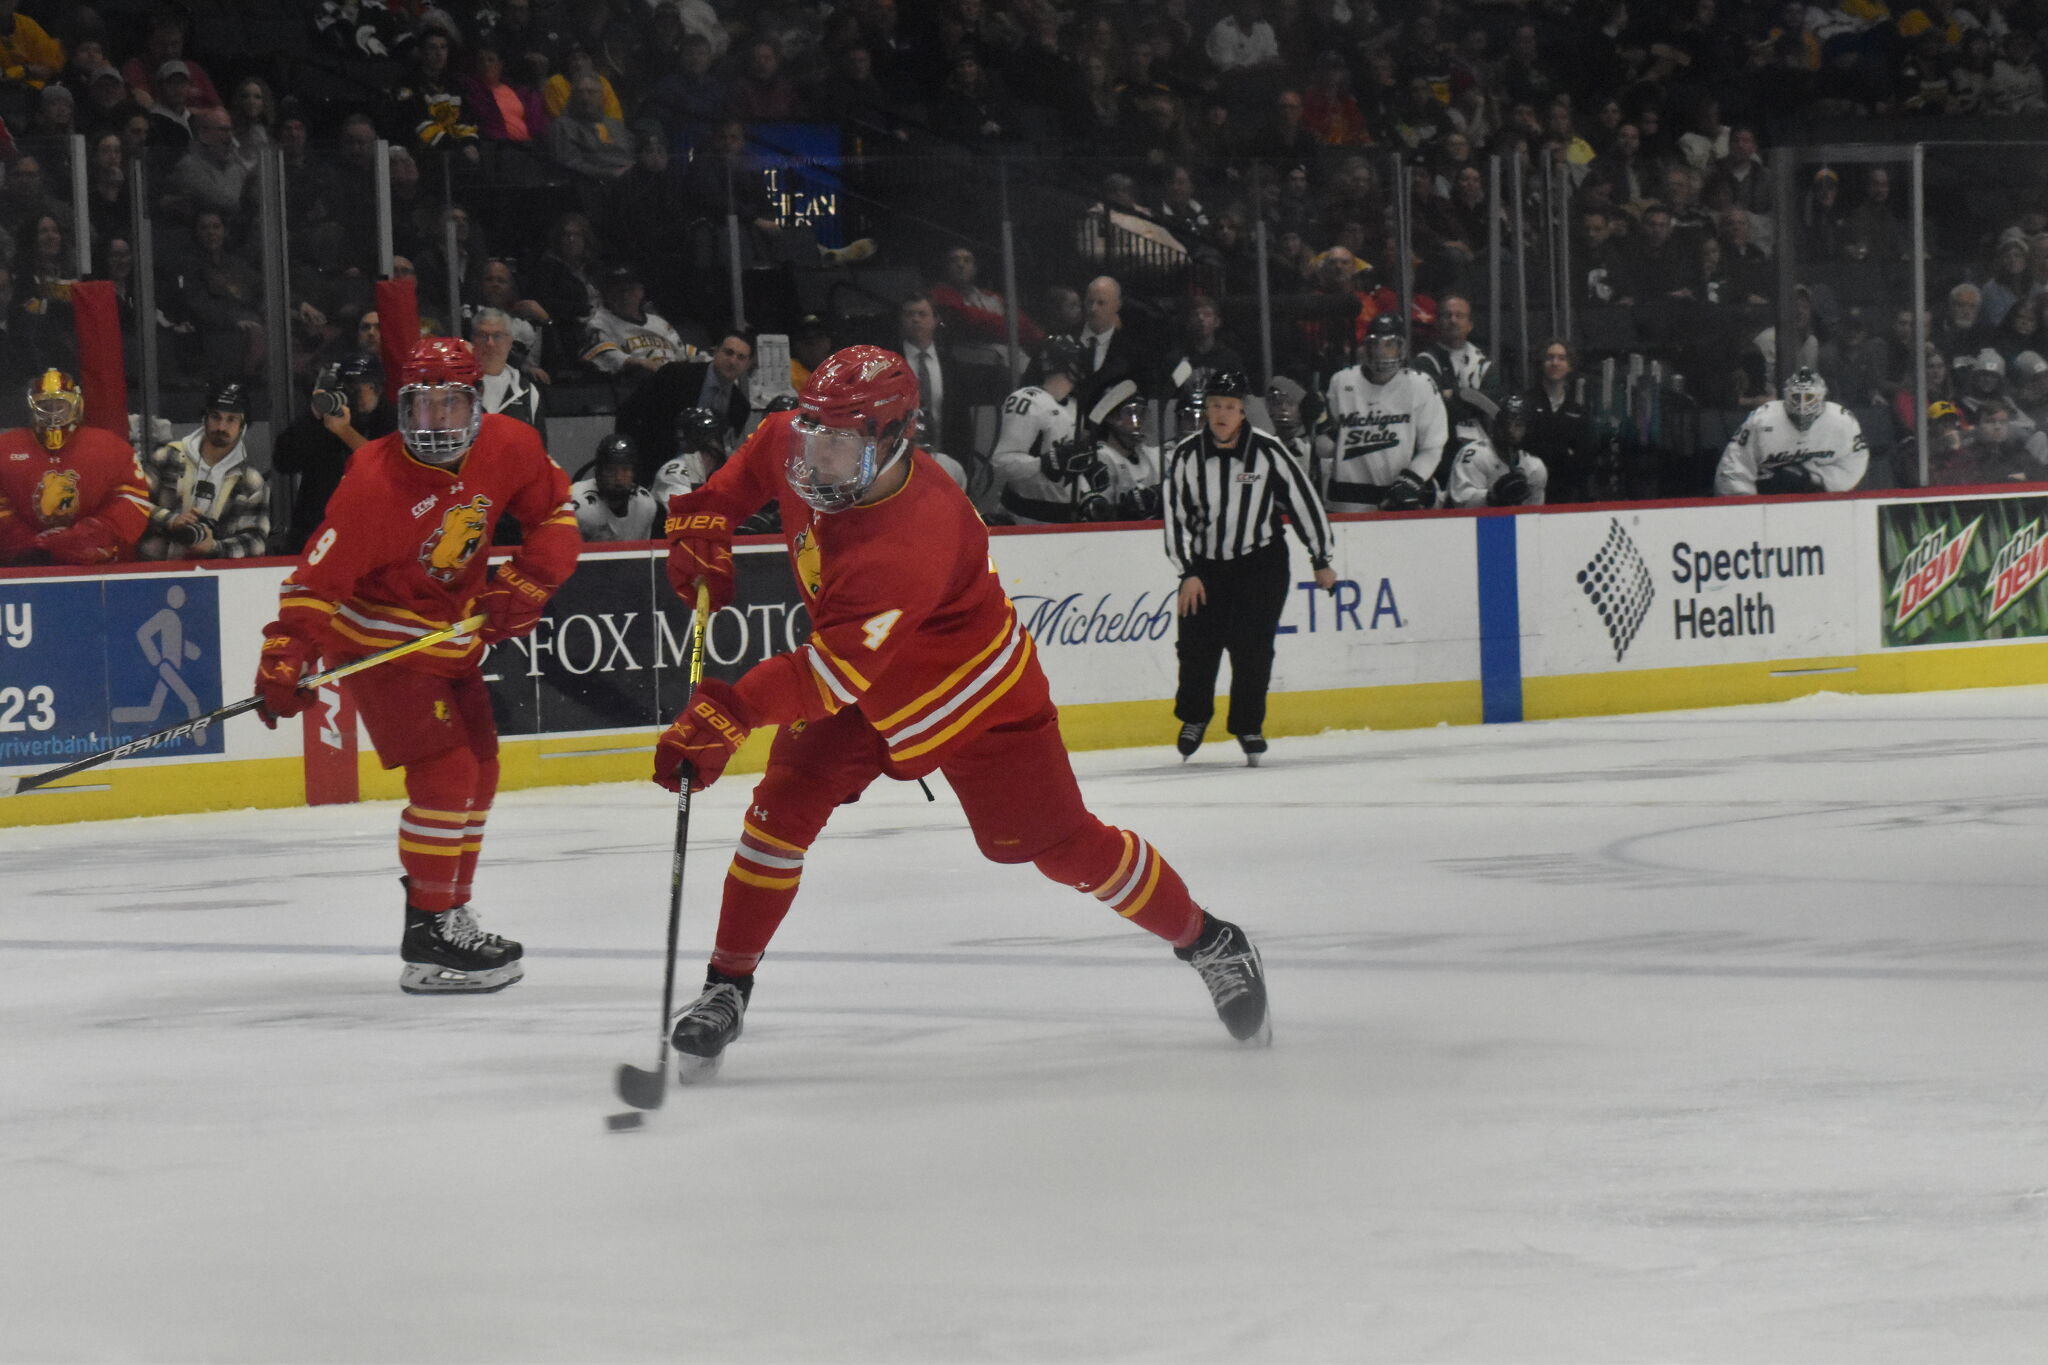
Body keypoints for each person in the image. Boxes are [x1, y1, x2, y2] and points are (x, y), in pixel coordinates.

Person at [651, 345, 1271, 1077]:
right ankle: (727, 985)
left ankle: (1210, 940)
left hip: (973, 695)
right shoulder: (807, 441)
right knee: (780, 808)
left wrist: (730, 712)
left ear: (892, 439)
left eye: (841, 441)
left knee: (1063, 847)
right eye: (816, 433)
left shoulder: (910, 534)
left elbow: (825, 676)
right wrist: (705, 521)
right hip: (863, 685)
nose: (818, 456)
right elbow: (755, 459)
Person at [252, 339, 579, 995]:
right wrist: (286, 655)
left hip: (452, 636)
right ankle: (428, 932)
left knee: (482, 769)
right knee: (447, 772)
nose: (433, 422)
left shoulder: (509, 444)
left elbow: (556, 510)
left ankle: (447, 916)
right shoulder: (373, 481)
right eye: (420, 406)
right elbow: (315, 583)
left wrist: (527, 581)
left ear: (475, 404)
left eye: (448, 405)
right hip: (381, 640)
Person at [1163, 369, 1334, 766]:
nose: (1222, 414)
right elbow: (1173, 517)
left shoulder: (1269, 451)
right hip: (1206, 566)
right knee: (1195, 648)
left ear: (1243, 412)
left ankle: (1247, 725)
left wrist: (1321, 557)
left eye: (1231, 408)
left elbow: (1303, 501)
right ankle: (1193, 717)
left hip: (1261, 564)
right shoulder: (1186, 455)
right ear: (1206, 410)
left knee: (1253, 650)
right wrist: (1187, 571)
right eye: (1216, 406)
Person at [0, 370, 150, 566]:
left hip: (97, 564)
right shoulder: (6, 447)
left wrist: (87, 536)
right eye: (46, 405)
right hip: (23, 564)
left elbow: (132, 500)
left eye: (60, 405)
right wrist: (27, 542)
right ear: (33, 406)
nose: (53, 413)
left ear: (76, 405)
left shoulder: (111, 446)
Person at [1321, 314, 1451, 511]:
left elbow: (1433, 446)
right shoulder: (1341, 382)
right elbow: (1328, 445)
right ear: (1366, 347)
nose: (1382, 352)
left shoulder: (1420, 385)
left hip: (1396, 500)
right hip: (1346, 501)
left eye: (1390, 344)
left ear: (1402, 347)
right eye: (1375, 344)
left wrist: (1411, 481)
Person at [273, 352, 394, 553]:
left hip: (372, 538)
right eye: (351, 387)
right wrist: (313, 416)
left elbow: (386, 469)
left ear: (379, 389)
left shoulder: (390, 420)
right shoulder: (326, 419)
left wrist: (344, 431)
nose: (358, 395)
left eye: (366, 387)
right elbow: (283, 461)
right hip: (317, 535)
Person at [137, 382, 271, 560]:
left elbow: (256, 541)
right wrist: (170, 520)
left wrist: (215, 547)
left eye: (231, 419)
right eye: (216, 417)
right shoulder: (168, 457)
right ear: (204, 418)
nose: (221, 427)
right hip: (156, 569)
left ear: (243, 426)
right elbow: (133, 505)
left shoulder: (250, 481)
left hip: (219, 578)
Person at [1715, 368, 1870, 496]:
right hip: (1767, 499)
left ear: (1821, 396)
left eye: (1809, 397)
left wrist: (1812, 477)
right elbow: (1735, 464)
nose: (1803, 405)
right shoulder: (1763, 419)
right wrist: (1747, 504)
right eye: (1797, 397)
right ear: (1787, 396)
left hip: (1820, 498)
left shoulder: (1842, 421)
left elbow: (1854, 463)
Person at [991, 336, 1086, 524]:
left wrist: (1089, 485)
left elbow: (1068, 468)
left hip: (1066, 520)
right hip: (1026, 518)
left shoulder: (1075, 407)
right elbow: (1001, 463)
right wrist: (1043, 464)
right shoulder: (1027, 401)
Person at [1445, 393, 1548, 508]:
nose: (1510, 430)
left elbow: (1533, 515)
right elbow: (1461, 502)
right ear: (1496, 425)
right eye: (1506, 423)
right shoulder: (1475, 454)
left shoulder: (1535, 468)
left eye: (1518, 425)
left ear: (1527, 429)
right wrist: (1492, 497)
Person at [570, 432, 658, 542]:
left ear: (634, 473)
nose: (619, 478)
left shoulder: (646, 505)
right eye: (611, 470)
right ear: (599, 473)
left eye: (625, 470)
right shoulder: (578, 502)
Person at [472, 308, 544, 432]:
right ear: (472, 340)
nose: (490, 343)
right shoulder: (459, 388)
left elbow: (539, 449)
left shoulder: (527, 392)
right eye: (482, 335)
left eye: (497, 336)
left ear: (510, 342)